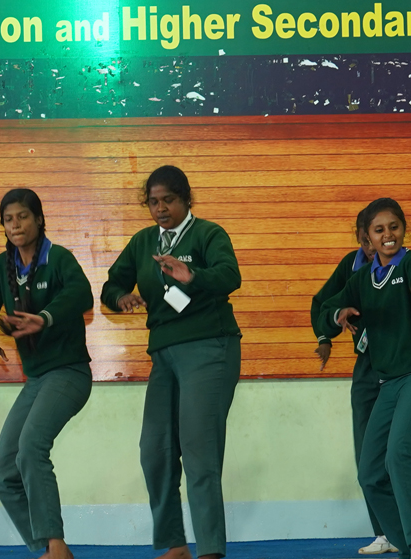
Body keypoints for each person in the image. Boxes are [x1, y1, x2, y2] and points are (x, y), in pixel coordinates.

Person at [100, 166, 241, 559]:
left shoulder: (208, 234)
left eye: (168, 200)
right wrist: (121, 298)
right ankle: (175, 545)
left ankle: (210, 549)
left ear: (186, 199)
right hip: (163, 354)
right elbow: (111, 285)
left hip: (209, 347)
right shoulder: (143, 242)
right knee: (155, 450)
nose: (160, 209)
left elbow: (230, 276)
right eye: (153, 202)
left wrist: (191, 275)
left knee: (198, 449)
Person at [318, 198, 411, 559]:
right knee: (370, 473)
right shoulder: (361, 279)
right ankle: (406, 546)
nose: (388, 234)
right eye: (380, 230)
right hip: (389, 382)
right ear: (368, 237)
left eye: (394, 227)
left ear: (404, 229)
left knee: (399, 453)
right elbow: (327, 305)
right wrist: (338, 315)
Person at [0, 189, 95, 559]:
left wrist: (44, 318)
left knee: (31, 449)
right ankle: (46, 549)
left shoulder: (59, 258)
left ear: (39, 219)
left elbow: (82, 295)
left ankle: (56, 545)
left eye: (23, 216)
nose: (16, 225)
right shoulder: (1, 267)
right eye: (8, 220)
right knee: (1, 471)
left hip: (69, 373)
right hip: (37, 379)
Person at [310, 207, 398, 556]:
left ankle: (405, 530)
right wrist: (326, 335)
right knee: (367, 455)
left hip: (400, 366)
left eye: (379, 236)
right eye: (366, 240)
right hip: (366, 366)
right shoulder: (352, 266)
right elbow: (323, 304)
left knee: (396, 453)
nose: (372, 247)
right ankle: (383, 533)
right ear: (361, 237)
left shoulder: (405, 264)